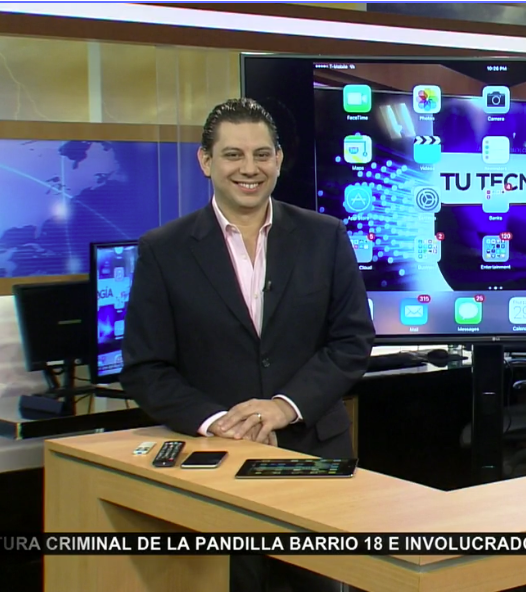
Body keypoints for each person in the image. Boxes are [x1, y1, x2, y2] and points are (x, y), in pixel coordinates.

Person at [121, 98, 375, 592]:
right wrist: (223, 423)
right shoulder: (163, 249)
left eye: (262, 154)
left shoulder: (325, 236)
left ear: (278, 159)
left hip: (311, 455)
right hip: (214, 462)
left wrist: (282, 408)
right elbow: (146, 367)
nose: (249, 169)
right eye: (233, 155)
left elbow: (352, 340)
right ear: (206, 161)